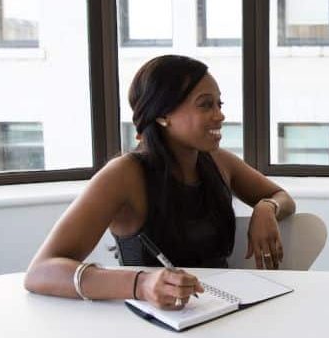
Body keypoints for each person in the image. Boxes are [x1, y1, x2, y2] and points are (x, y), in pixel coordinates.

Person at [25, 55, 296, 310]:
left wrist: (266, 207)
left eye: (219, 104)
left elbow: (280, 196)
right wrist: (141, 284)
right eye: (205, 104)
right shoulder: (123, 174)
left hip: (217, 312)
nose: (220, 115)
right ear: (163, 114)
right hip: (148, 322)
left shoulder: (219, 160)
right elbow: (40, 271)